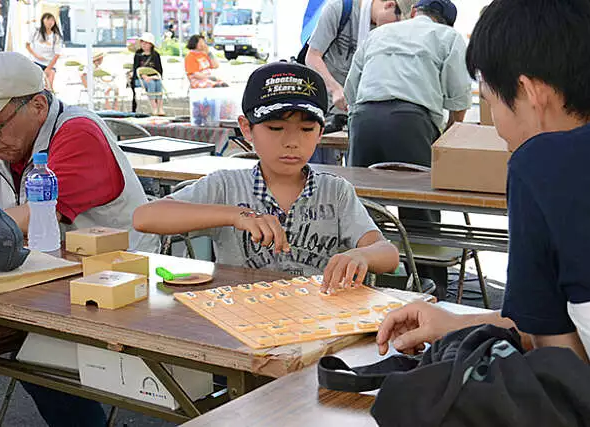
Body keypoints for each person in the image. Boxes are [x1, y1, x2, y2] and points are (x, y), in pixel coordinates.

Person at [377, 0, 590, 425]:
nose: (496, 126)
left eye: (490, 101)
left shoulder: (543, 163)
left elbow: (565, 375)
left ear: (532, 93)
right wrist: (456, 321)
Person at [0, 51, 158, 426]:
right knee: (31, 355)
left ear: (38, 106)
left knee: (38, 355)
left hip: (126, 283)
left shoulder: (79, 133)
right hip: (46, 282)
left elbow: (32, 218)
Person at [133, 62, 400, 291]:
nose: (291, 142)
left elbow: (387, 253)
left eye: (306, 129)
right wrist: (234, 215)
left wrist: (361, 255)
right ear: (246, 129)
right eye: (275, 128)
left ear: (321, 134)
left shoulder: (336, 192)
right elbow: (144, 217)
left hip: (317, 317)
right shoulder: (226, 187)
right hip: (243, 317)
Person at [344, 0, 470, 296]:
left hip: (364, 118)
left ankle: (359, 283)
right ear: (446, 21)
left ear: (414, 12)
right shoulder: (448, 37)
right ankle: (430, 289)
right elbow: (459, 96)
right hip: (410, 119)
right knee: (420, 207)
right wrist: (447, 140)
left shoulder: (380, 33)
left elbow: (351, 89)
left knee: (362, 206)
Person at [305, 0, 413, 162]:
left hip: (356, 112)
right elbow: (312, 57)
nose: (396, 28)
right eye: (397, 21)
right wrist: (335, 89)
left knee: (355, 170)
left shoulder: (386, 31)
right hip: (325, 107)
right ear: (389, 5)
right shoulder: (339, 9)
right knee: (321, 168)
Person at [26, 13, 63, 91]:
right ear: (42, 20)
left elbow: (57, 54)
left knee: (48, 88)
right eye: (47, 19)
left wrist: (48, 68)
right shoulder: (36, 32)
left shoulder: (56, 36)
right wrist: (36, 55)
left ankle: (50, 101)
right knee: (35, 87)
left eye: (52, 20)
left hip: (50, 64)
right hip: (36, 63)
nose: (50, 22)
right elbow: (27, 45)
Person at [131, 32, 165, 116]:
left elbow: (159, 70)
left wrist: (153, 77)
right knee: (151, 83)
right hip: (140, 79)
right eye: (142, 42)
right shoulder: (138, 54)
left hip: (154, 77)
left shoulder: (155, 55)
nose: (144, 45)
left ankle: (160, 107)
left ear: (150, 44)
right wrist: (144, 76)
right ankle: (154, 107)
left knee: (158, 83)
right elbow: (136, 69)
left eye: (146, 43)